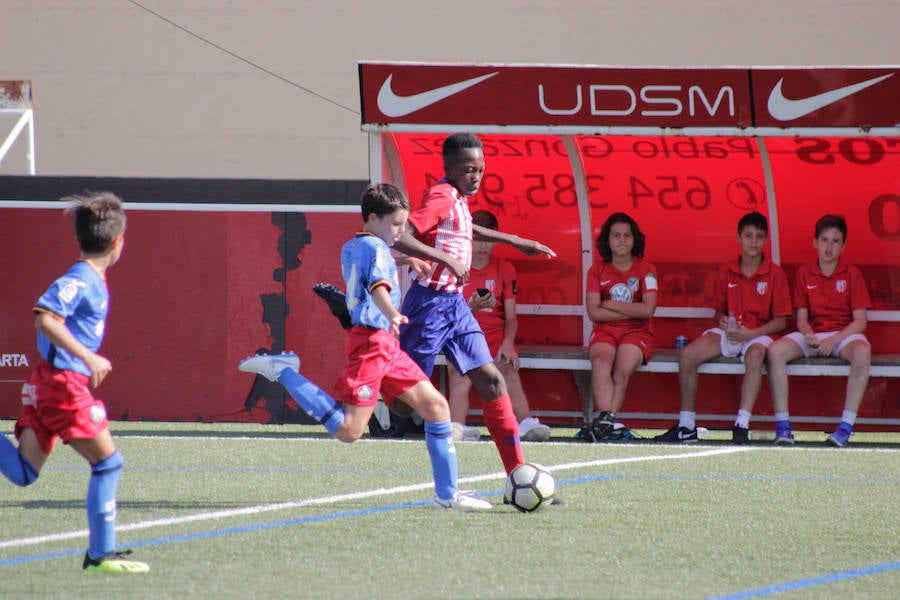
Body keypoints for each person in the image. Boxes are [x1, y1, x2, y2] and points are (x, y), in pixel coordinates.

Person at [239, 183, 491, 510]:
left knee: (437, 408)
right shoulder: (375, 249)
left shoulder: (360, 244)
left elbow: (375, 269)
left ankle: (446, 495)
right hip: (373, 343)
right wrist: (393, 314)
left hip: (384, 344)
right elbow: (377, 286)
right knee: (349, 431)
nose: (402, 231)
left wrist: (405, 261)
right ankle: (285, 372)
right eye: (396, 224)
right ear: (373, 218)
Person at [0, 192, 149, 574]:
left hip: (50, 382)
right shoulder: (81, 278)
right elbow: (45, 319)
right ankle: (101, 554)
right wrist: (88, 355)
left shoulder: (91, 279)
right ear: (117, 242)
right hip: (63, 385)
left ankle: (101, 553)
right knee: (108, 463)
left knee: (24, 472)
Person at [391, 133, 556, 475]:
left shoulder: (458, 199)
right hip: (428, 306)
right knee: (401, 406)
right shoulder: (440, 195)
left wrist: (515, 240)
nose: (476, 176)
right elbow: (401, 234)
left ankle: (518, 473)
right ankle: (371, 364)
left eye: (480, 169)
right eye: (468, 169)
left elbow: (466, 231)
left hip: (456, 306)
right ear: (448, 168)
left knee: (492, 381)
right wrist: (445, 259)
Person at [654, 211, 791, 444]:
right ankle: (686, 425)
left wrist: (750, 333)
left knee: (756, 354)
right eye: (748, 235)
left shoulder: (775, 273)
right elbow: (717, 311)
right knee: (688, 355)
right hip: (732, 332)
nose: (753, 241)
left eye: (759, 236)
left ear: (766, 240)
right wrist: (722, 321)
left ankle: (741, 424)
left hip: (759, 334)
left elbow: (780, 321)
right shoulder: (726, 270)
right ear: (738, 238)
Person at [446, 210, 552, 443]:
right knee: (459, 376)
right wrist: (473, 306)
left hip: (495, 336)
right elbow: (451, 312)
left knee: (508, 369)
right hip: (464, 333)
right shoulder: (456, 267)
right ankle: (456, 427)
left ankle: (526, 424)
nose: (483, 246)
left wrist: (508, 343)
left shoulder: (505, 268)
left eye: (489, 240)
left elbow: (511, 317)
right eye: (478, 239)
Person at [767, 214, 872, 447]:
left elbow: (860, 322)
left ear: (843, 246)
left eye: (835, 241)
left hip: (843, 336)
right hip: (814, 335)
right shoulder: (804, 273)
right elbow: (802, 318)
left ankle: (845, 428)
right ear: (815, 242)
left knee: (863, 352)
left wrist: (834, 340)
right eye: (824, 240)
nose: (829, 246)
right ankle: (783, 426)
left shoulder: (852, 273)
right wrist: (808, 335)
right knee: (775, 351)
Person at [581, 212, 658, 442]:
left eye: (627, 235)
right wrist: (630, 308)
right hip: (605, 330)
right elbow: (593, 312)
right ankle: (607, 419)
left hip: (637, 332)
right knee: (601, 360)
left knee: (621, 370)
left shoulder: (647, 269)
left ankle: (607, 419)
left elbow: (647, 311)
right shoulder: (596, 270)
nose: (622, 240)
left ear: (635, 240)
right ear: (607, 240)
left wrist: (611, 304)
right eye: (616, 236)